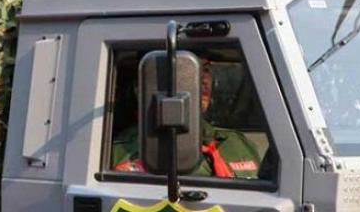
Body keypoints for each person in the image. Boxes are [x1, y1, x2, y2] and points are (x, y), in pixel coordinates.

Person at [111, 60, 262, 179]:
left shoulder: (239, 144)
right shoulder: (119, 153)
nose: (203, 79)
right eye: (190, 69)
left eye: (206, 70)